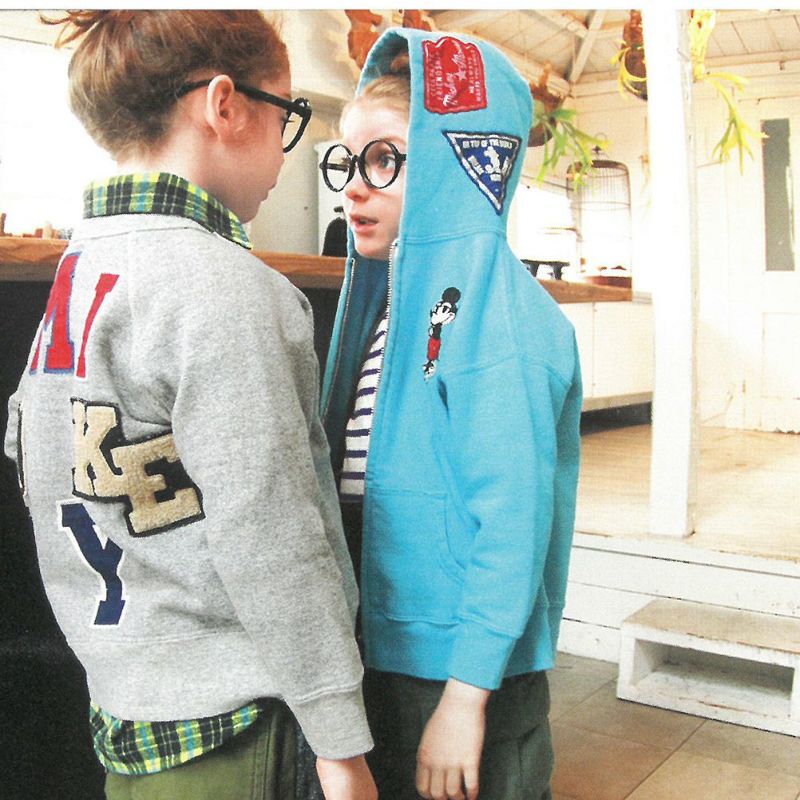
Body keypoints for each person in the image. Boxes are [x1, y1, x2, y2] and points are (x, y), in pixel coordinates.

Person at [4, 11, 376, 800]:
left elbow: (30, 453)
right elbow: (272, 534)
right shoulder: (230, 289)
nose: (288, 148)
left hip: (125, 711)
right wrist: (341, 741)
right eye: (287, 114)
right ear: (224, 105)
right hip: (239, 725)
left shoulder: (78, 277)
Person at [319, 28, 582, 800]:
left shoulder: (498, 317)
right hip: (388, 648)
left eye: (385, 160)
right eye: (347, 162)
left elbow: (513, 520)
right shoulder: (390, 310)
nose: (354, 188)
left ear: (455, 164)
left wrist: (466, 700)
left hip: (462, 673)